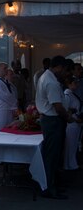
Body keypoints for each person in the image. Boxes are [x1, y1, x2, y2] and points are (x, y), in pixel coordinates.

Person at [36, 56, 74, 198]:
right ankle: (49, 188)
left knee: (54, 155)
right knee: (52, 155)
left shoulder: (47, 77)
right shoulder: (51, 81)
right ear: (58, 67)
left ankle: (52, 185)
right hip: (53, 121)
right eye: (64, 70)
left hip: (52, 120)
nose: (65, 73)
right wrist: (68, 117)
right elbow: (57, 106)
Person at [0, 62, 18, 132]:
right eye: (5, 68)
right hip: (1, 110)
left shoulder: (5, 81)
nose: (7, 70)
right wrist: (15, 105)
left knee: (9, 130)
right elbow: (5, 96)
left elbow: (12, 94)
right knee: (0, 130)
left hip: (8, 109)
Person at [63, 75, 82, 171]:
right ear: (69, 84)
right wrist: (74, 117)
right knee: (70, 145)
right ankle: (68, 164)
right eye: (74, 83)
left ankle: (72, 163)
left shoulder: (72, 94)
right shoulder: (67, 94)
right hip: (71, 122)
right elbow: (66, 110)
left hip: (76, 121)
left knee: (73, 144)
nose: (77, 85)